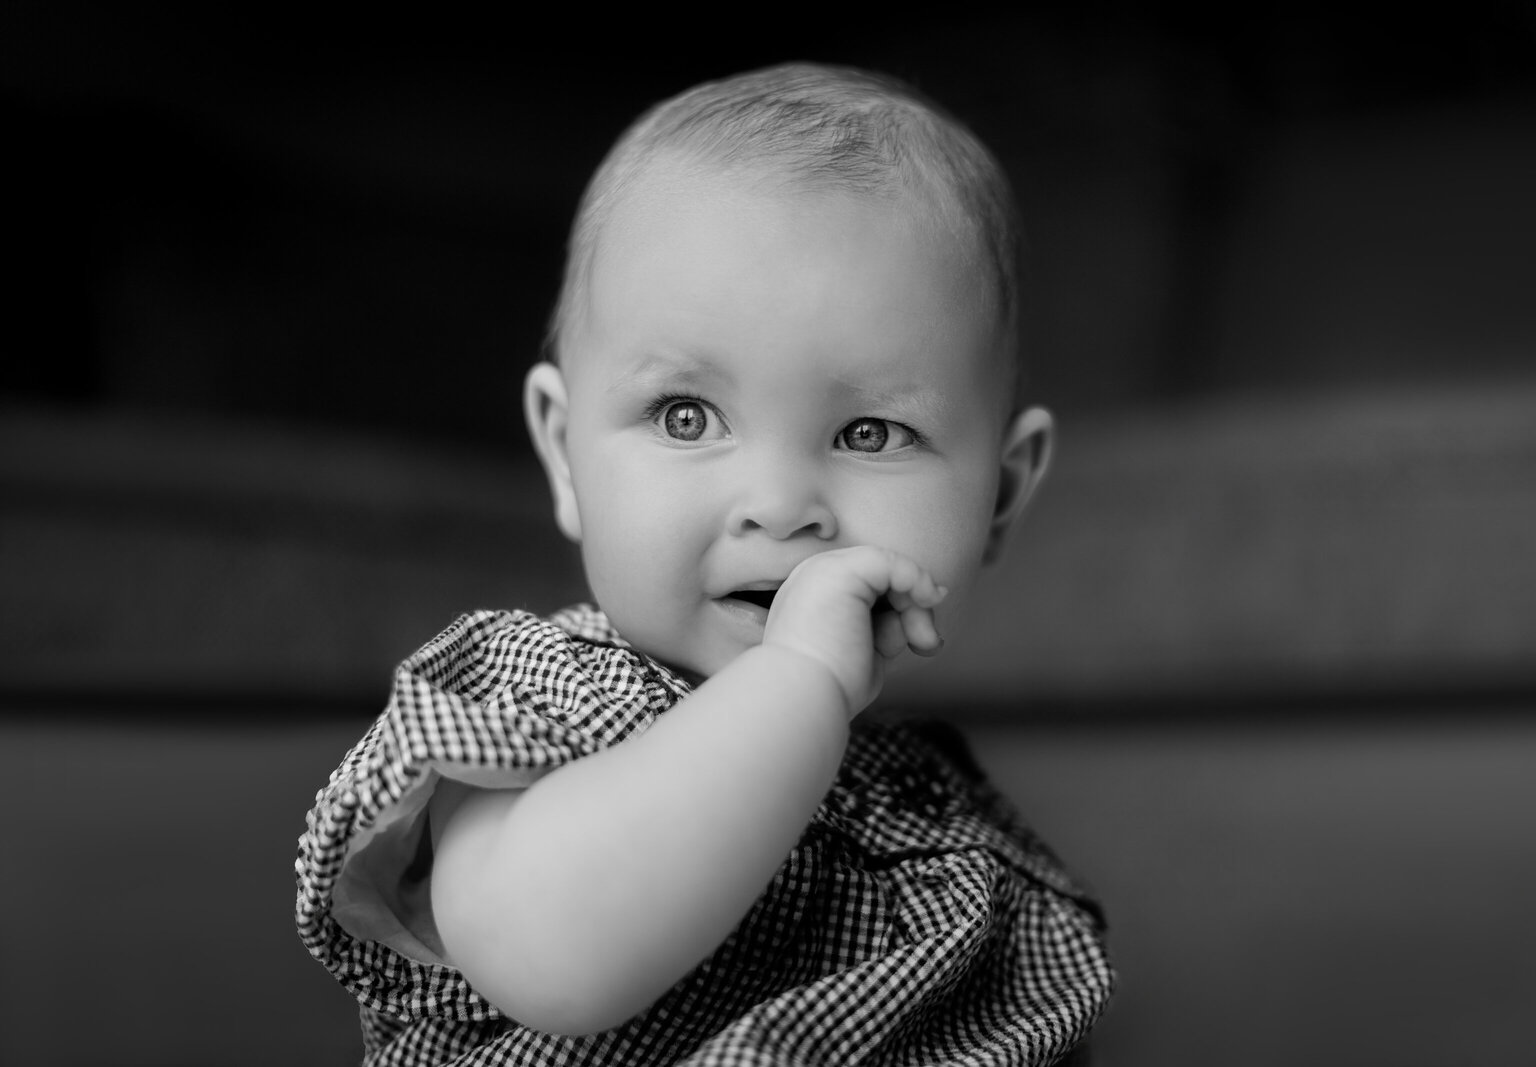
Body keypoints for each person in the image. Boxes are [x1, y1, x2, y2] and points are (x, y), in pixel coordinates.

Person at [296, 61, 1114, 1066]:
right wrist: (797, 683)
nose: (777, 503)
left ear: (996, 492)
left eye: (868, 430)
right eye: (687, 417)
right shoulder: (541, 705)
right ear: (565, 453)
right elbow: (558, 960)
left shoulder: (938, 820)